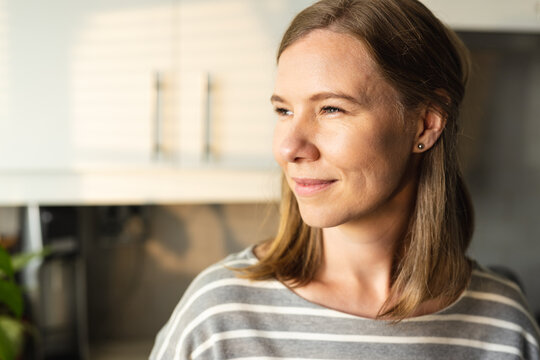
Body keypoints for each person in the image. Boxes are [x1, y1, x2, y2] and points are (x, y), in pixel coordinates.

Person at [150, 0, 540, 358]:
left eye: (331, 108)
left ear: (424, 124)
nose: (289, 148)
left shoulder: (502, 326)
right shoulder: (219, 316)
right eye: (283, 111)